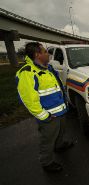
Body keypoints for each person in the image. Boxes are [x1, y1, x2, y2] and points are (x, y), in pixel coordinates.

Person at [16, 42, 74, 172]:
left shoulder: (48, 68)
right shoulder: (28, 73)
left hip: (60, 111)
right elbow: (29, 100)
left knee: (60, 132)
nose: (48, 54)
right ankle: (47, 162)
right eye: (45, 52)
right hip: (49, 116)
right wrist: (45, 116)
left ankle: (59, 146)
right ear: (38, 55)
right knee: (47, 139)